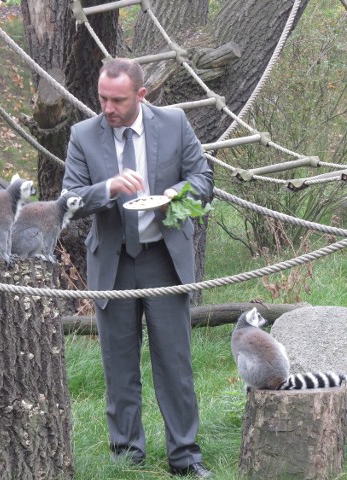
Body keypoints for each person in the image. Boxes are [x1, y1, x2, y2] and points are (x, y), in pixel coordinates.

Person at [62, 57, 214, 478]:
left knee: (175, 363)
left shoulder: (173, 123)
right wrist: (106, 188)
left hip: (163, 259)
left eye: (118, 100)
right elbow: (70, 202)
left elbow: (203, 180)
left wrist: (176, 194)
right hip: (113, 264)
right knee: (119, 365)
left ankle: (185, 457)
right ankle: (126, 457)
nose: (107, 108)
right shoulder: (83, 135)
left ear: (141, 95)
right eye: (102, 98)